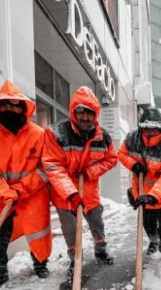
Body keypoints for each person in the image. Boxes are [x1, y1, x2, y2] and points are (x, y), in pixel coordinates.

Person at [0, 80, 53, 290]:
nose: (10, 109)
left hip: (31, 194)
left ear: (23, 107)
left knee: (38, 231)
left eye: (15, 105)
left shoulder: (38, 134)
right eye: (5, 105)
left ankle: (40, 263)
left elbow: (45, 169)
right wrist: (3, 191)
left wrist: (20, 189)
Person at [43, 86, 118, 274]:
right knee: (70, 229)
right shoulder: (56, 133)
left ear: (96, 114)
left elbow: (111, 159)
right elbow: (52, 166)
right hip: (64, 193)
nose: (85, 118)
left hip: (89, 191)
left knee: (97, 223)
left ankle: (100, 251)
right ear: (73, 112)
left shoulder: (102, 137)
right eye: (81, 112)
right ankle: (75, 259)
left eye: (90, 114)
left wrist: (91, 171)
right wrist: (71, 192)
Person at [118, 108, 161, 262]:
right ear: (141, 128)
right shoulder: (133, 138)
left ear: (160, 127)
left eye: (154, 129)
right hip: (141, 193)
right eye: (147, 129)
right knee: (148, 225)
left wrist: (154, 195)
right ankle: (154, 241)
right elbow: (121, 154)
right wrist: (133, 164)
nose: (151, 132)